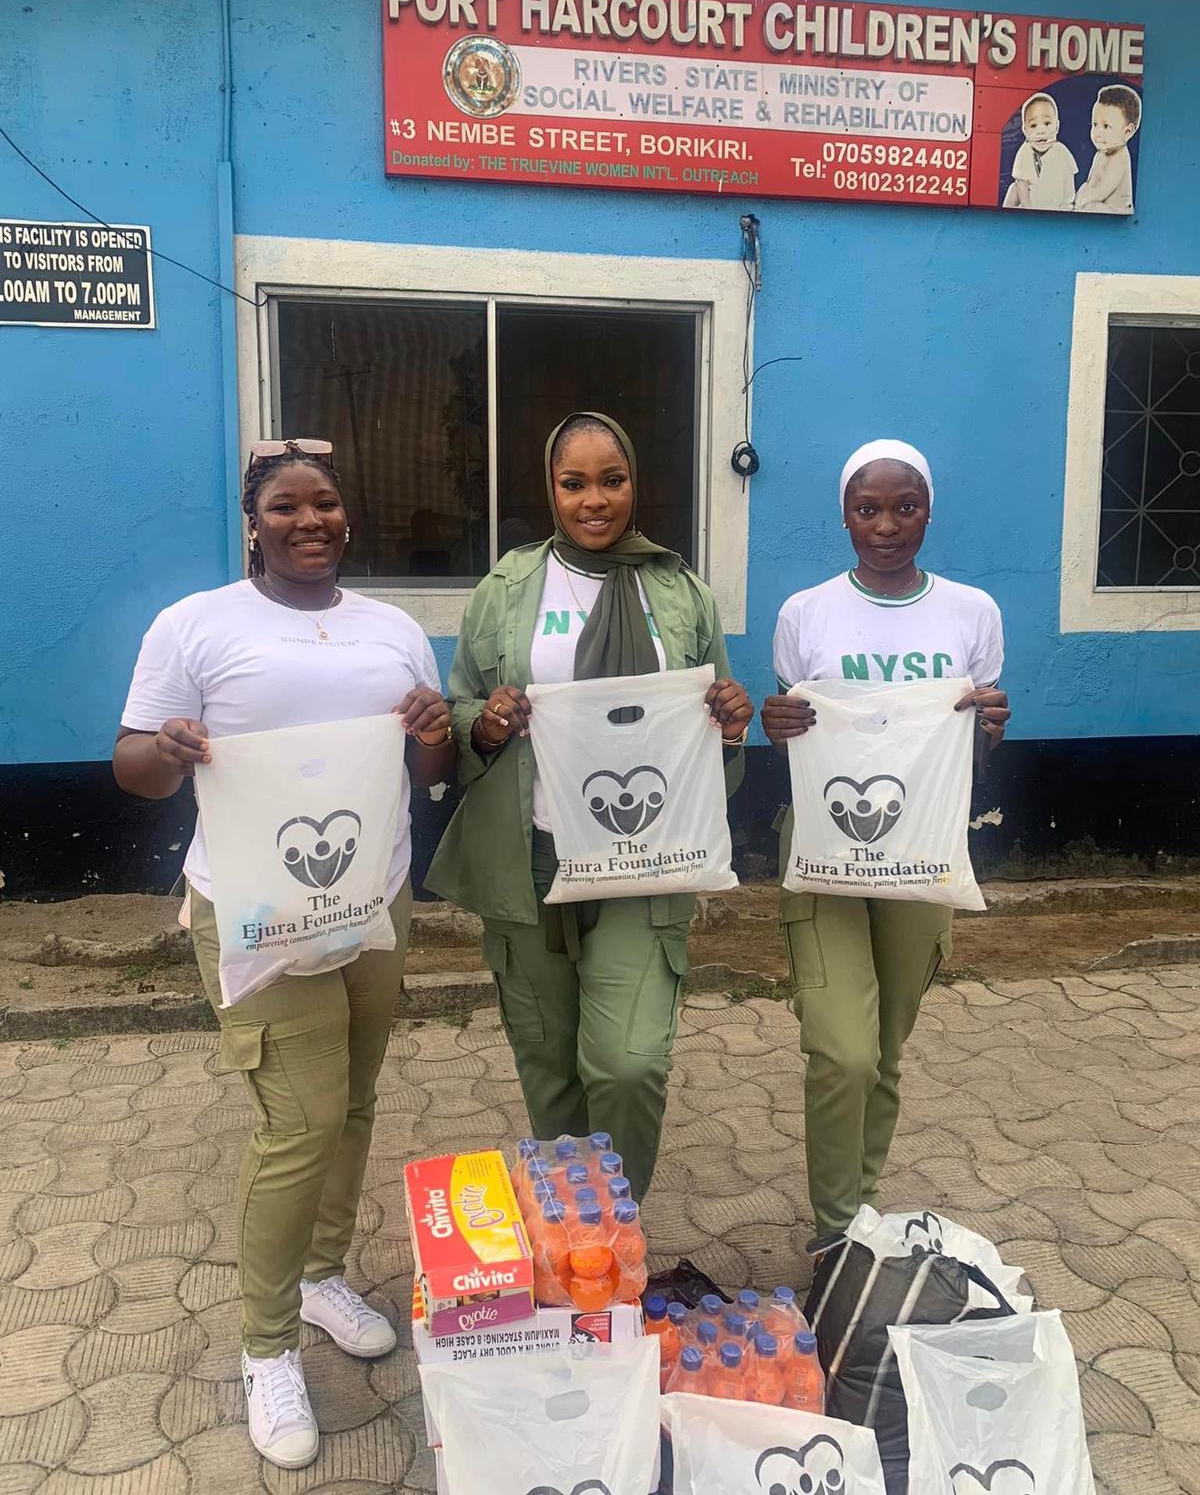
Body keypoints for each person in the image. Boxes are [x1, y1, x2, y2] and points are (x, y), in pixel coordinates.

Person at [113, 439, 455, 1471]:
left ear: (347, 517)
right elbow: (132, 768)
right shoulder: (197, 626)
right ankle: (266, 1347)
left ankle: (321, 1275)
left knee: (351, 1101)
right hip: (255, 910)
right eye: (285, 507)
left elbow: (431, 767)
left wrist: (433, 729)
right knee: (297, 1121)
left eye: (326, 504)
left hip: (371, 897)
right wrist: (166, 750)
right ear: (253, 524)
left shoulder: (394, 630)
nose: (310, 521)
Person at [427, 413, 754, 1199]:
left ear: (636, 483)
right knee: (548, 1062)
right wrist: (487, 723)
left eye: (613, 480)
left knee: (628, 1062)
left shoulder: (680, 592)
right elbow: (461, 703)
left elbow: (714, 724)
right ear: (551, 489)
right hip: (531, 854)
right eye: (573, 483)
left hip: (645, 856)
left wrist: (729, 726)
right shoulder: (509, 586)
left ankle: (618, 1222)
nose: (594, 500)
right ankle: (576, 1233)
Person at [761, 439, 1010, 1245]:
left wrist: (992, 729)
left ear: (929, 510)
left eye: (906, 506)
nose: (887, 524)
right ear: (845, 515)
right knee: (845, 1051)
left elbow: (972, 748)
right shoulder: (806, 613)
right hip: (825, 848)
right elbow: (798, 740)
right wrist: (777, 725)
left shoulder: (972, 614)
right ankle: (838, 1232)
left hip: (924, 849)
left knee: (886, 1047)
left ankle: (859, 1211)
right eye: (868, 508)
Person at [1002, 93, 1077, 210]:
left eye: (1047, 123)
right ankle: (1005, 217)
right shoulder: (1024, 151)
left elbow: (1069, 186)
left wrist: (1066, 206)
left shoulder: (1061, 152)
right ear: (1025, 130)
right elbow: (1022, 186)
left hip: (1056, 205)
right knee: (1014, 188)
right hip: (1031, 203)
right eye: (1033, 125)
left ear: (1057, 126)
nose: (1041, 131)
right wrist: (1029, 208)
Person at [1075, 84, 1141, 214]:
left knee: (1089, 206)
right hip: (1100, 205)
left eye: (1106, 126)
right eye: (1095, 124)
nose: (1097, 133)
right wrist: (1081, 194)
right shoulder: (1101, 154)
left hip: (1117, 211)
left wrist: (1083, 201)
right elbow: (1091, 183)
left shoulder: (1120, 158)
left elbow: (1103, 191)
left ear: (1127, 132)